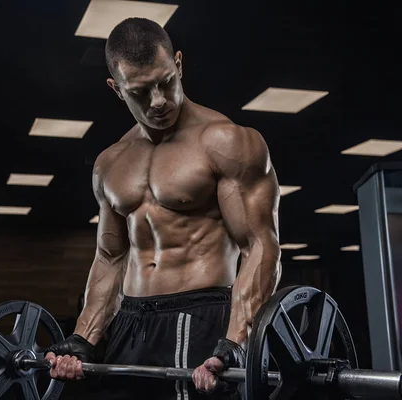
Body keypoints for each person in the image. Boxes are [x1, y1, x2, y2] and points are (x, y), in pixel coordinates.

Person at [45, 17, 282, 399]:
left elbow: (260, 246)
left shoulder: (226, 142)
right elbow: (110, 256)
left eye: (166, 82)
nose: (159, 101)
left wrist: (237, 340)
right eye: (140, 92)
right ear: (117, 89)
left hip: (203, 314)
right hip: (132, 321)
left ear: (179, 64)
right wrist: (84, 336)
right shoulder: (110, 163)